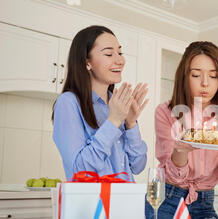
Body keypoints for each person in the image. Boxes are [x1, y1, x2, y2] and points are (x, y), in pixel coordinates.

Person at [148, 41, 218, 219]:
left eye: (213, 76)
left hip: (205, 201)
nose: (205, 83)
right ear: (184, 77)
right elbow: (175, 175)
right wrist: (180, 151)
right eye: (196, 75)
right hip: (168, 198)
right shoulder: (165, 111)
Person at [52, 25, 149, 182]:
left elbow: (138, 166)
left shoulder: (117, 104)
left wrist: (131, 123)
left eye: (120, 52)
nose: (120, 60)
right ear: (87, 62)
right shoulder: (68, 103)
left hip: (127, 203)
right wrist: (114, 121)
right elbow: (80, 171)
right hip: (94, 205)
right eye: (109, 54)